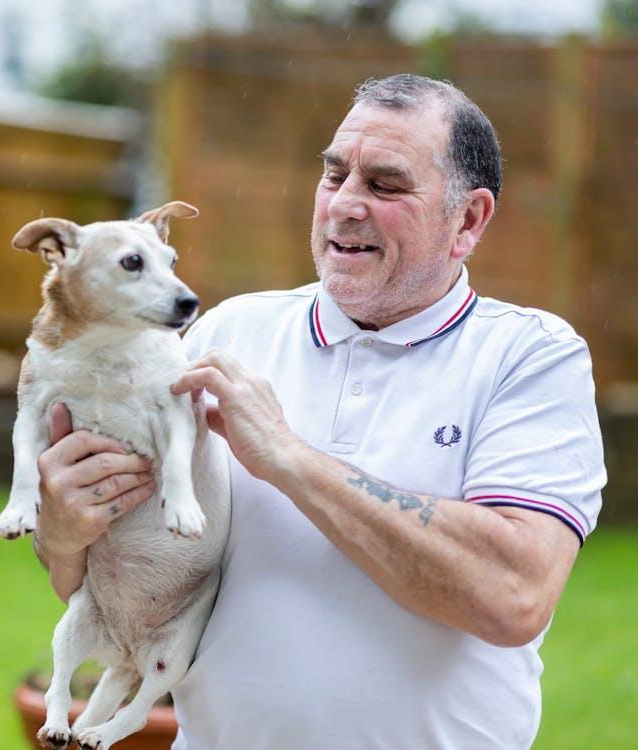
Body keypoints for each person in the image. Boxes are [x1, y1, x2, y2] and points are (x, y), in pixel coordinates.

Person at [31, 73, 606, 749]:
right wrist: (64, 529)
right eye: (334, 176)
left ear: (468, 220)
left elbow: (512, 596)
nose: (343, 206)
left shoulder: (529, 357)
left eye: (384, 185)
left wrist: (288, 457)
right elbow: (96, 570)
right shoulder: (227, 332)